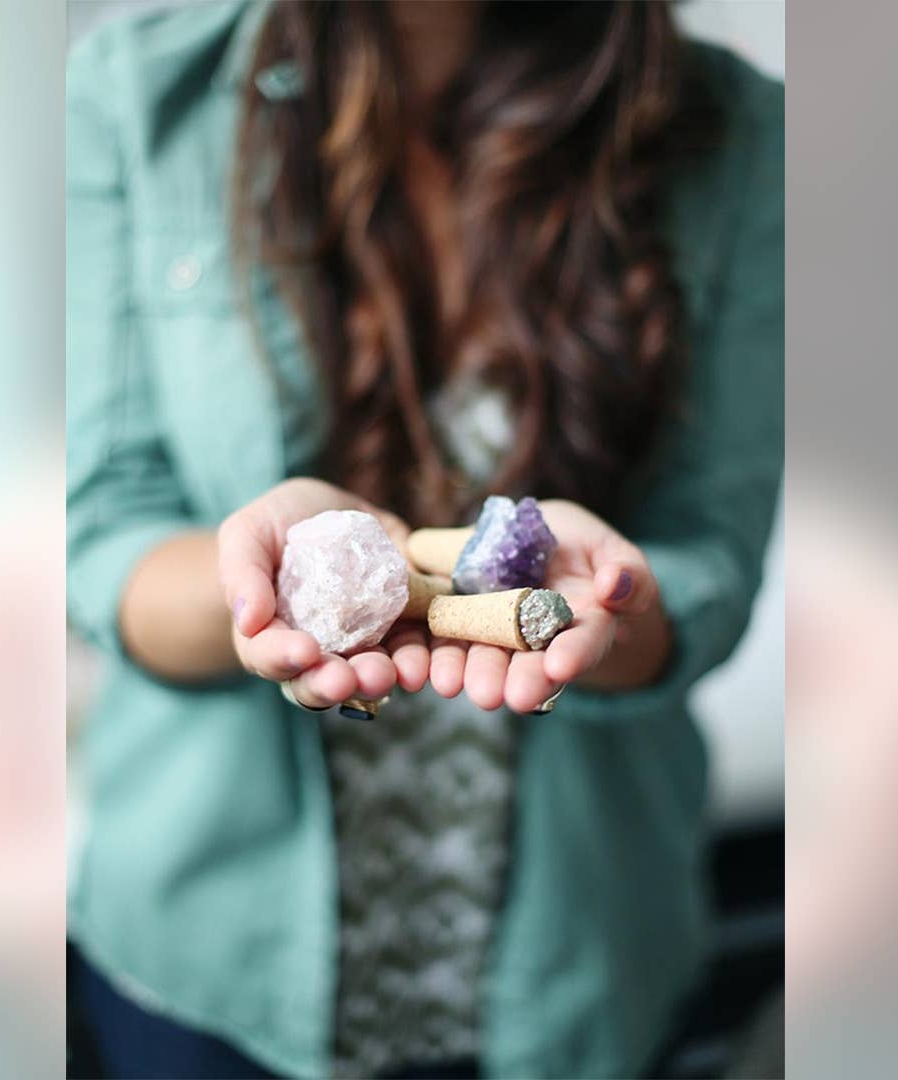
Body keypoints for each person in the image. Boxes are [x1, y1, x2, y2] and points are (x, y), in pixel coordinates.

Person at [67, 1, 781, 1076]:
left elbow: (709, 554)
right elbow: (101, 532)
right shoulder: (131, 92)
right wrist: (261, 588)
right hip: (211, 956)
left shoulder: (744, 133)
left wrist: (604, 614)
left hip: (577, 969)